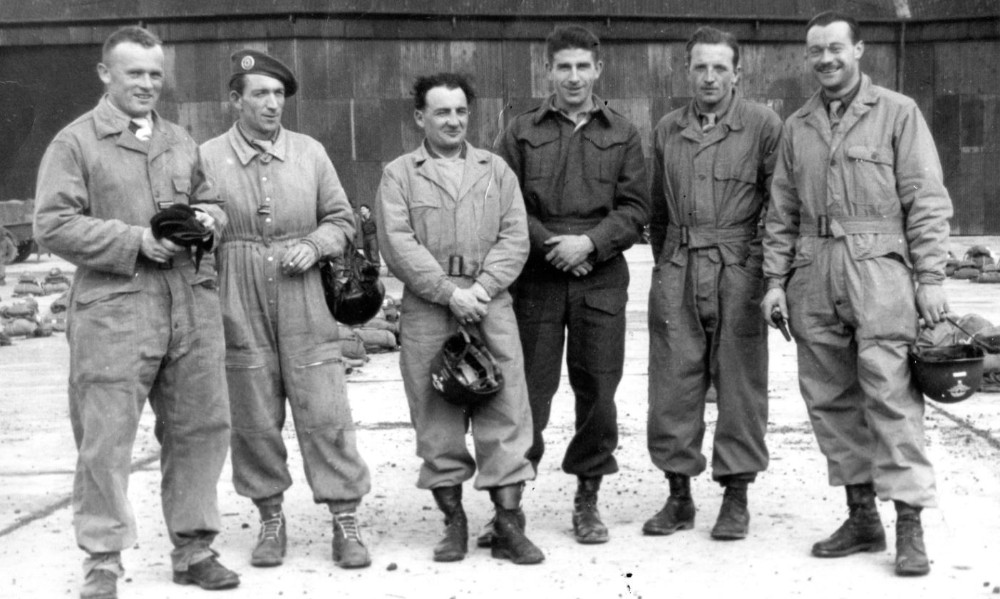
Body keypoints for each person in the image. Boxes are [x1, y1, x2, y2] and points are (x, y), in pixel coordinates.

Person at [33, 26, 240, 598]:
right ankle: (102, 558)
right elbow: (51, 223)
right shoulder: (74, 144)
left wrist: (205, 220)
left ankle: (194, 546)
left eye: (155, 73)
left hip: (191, 306)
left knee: (201, 428)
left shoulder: (178, 139)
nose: (148, 84)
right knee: (106, 437)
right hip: (115, 312)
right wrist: (136, 241)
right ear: (106, 75)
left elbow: (214, 201)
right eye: (135, 74)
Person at [760, 11, 953, 577]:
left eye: (836, 49)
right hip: (812, 273)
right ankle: (862, 516)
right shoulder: (797, 126)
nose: (826, 59)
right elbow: (782, 212)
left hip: (880, 274)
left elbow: (926, 199)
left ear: (860, 50)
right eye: (816, 51)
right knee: (830, 401)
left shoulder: (898, 113)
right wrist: (774, 283)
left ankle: (911, 526)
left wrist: (932, 277)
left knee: (891, 398)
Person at [199, 49, 372, 570]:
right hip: (237, 288)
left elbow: (343, 219)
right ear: (235, 100)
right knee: (251, 412)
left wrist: (317, 244)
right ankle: (270, 516)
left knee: (326, 409)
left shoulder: (310, 152)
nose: (272, 104)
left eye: (278, 95)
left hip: (304, 295)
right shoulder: (206, 156)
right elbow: (196, 223)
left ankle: (345, 518)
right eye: (260, 94)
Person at [376, 73, 544, 565]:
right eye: (442, 112)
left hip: (490, 304)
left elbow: (516, 236)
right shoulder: (399, 174)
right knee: (436, 415)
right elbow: (398, 243)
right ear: (420, 118)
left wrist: (483, 289)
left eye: (461, 112)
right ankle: (454, 524)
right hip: (430, 308)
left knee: (507, 410)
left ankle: (509, 525)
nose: (453, 120)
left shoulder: (497, 172)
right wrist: (450, 294)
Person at [495, 25, 649, 545]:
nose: (575, 77)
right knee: (527, 395)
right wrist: (553, 247)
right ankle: (510, 506)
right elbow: (506, 204)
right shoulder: (519, 131)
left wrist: (590, 245)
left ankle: (588, 497)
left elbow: (635, 209)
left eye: (584, 66)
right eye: (564, 67)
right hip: (536, 280)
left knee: (599, 392)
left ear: (598, 70)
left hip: (600, 278)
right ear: (548, 71)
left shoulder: (624, 132)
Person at [644, 26, 782, 541]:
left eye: (719, 67)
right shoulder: (666, 129)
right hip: (679, 266)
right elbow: (657, 211)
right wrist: (669, 264)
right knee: (672, 383)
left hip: (739, 270)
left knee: (741, 383)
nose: (709, 77)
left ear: (737, 73)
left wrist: (765, 273)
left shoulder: (764, 126)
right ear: (687, 71)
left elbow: (780, 206)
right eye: (700, 67)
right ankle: (678, 497)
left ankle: (736, 498)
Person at [356, 204, 380, 269]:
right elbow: (361, 230)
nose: (361, 211)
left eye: (363, 209)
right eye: (361, 209)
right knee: (367, 254)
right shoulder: (362, 220)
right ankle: (370, 269)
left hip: (373, 237)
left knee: (373, 253)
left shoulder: (373, 218)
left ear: (368, 210)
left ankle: (376, 268)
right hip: (365, 237)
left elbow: (378, 228)